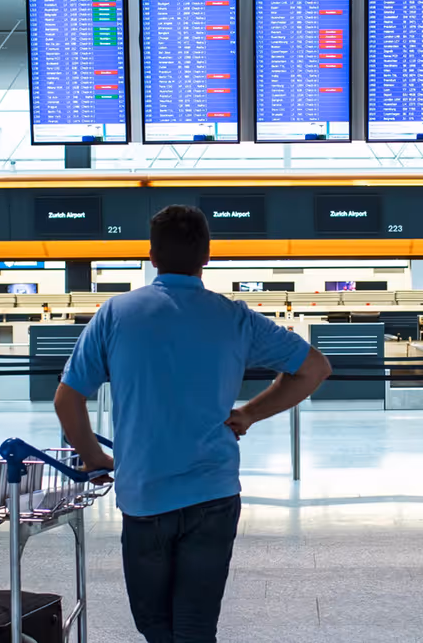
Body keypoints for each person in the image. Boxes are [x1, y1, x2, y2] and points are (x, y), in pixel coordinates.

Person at [53, 204, 332, 643]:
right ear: (207, 255)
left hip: (145, 494)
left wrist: (93, 458)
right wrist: (248, 413)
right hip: (214, 494)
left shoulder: (116, 313)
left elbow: (68, 398)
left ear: (152, 256)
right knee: (196, 627)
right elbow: (314, 368)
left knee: (155, 625)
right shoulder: (234, 317)